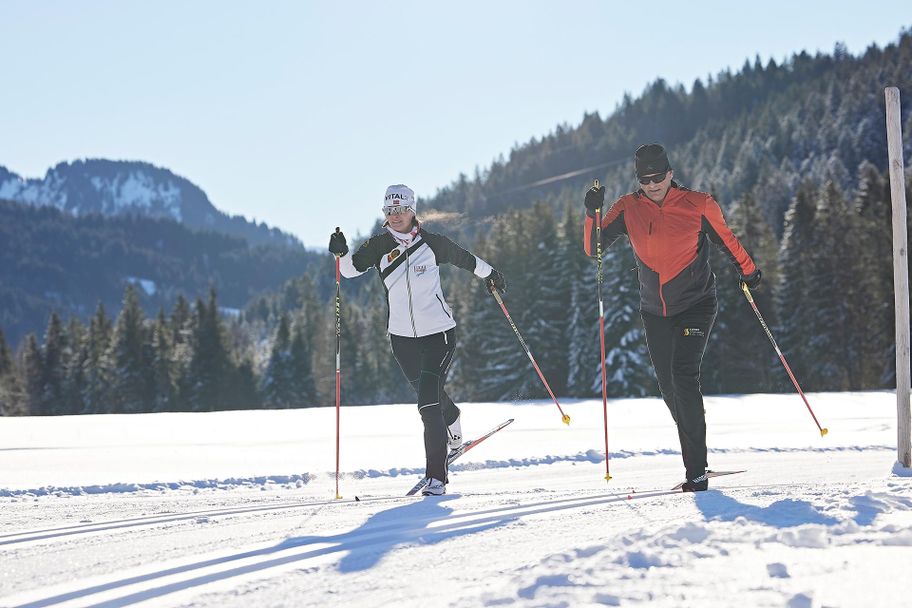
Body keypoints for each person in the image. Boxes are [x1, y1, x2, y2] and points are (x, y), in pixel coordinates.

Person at [583, 144, 761, 491]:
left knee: (683, 376)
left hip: (696, 303)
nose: (652, 185)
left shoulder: (699, 204)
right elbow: (595, 250)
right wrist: (592, 213)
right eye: (645, 179)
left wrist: (749, 271)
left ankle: (695, 472)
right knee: (668, 388)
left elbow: (727, 239)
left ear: (670, 173)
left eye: (657, 177)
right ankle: (698, 452)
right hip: (654, 312)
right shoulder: (627, 208)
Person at [329, 184, 505, 496]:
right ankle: (452, 417)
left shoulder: (432, 243)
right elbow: (350, 270)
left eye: (401, 210)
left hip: (439, 334)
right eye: (389, 211)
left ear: (413, 210)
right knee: (432, 397)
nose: (395, 216)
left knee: (426, 403)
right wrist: (339, 252)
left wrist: (490, 273)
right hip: (402, 340)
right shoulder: (378, 246)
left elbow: (465, 259)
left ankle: (437, 477)